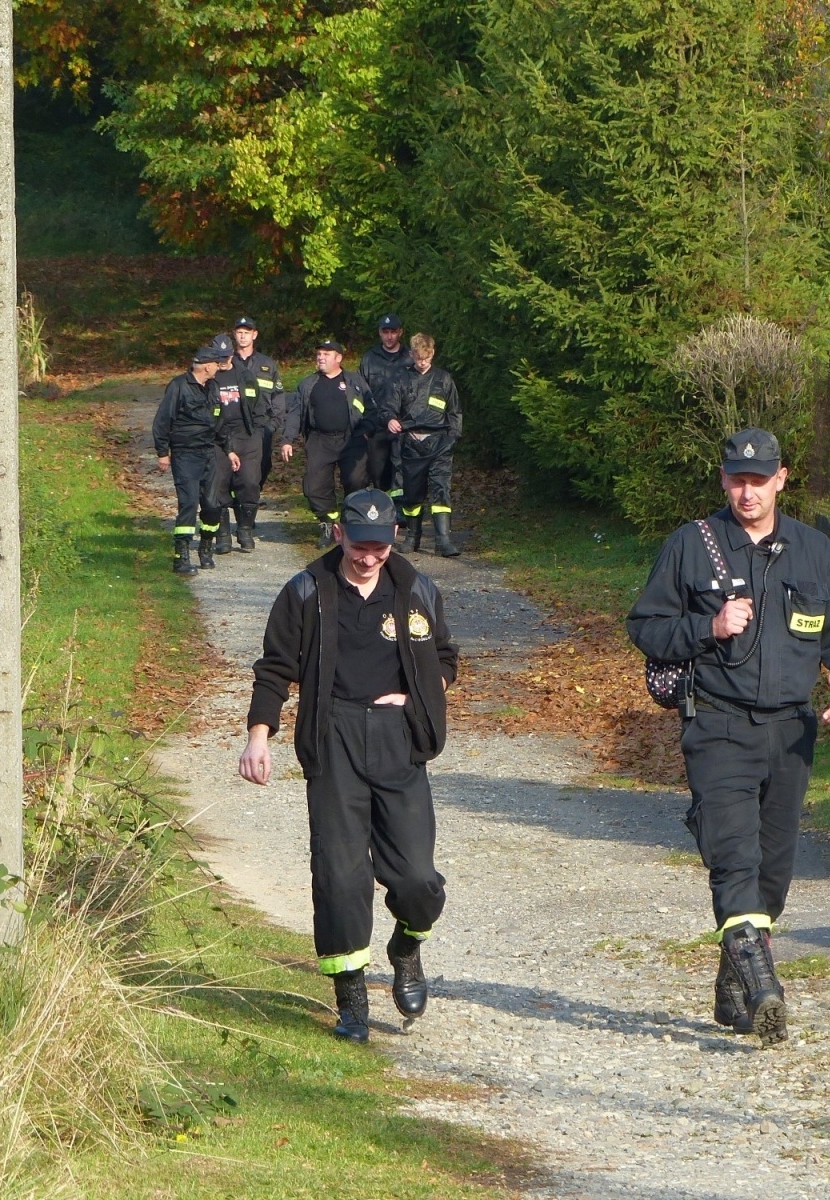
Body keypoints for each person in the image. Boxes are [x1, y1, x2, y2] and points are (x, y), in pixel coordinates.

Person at [626, 429, 830, 1045]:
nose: (748, 491)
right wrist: (706, 625)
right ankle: (765, 985)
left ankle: (732, 980)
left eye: (759, 480)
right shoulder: (691, 546)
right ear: (723, 480)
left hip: (791, 730)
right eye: (737, 479)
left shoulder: (815, 552)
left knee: (773, 874)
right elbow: (646, 626)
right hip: (717, 723)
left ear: (781, 480)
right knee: (733, 855)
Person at [239, 488, 458, 1042]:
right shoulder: (306, 591)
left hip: (398, 741)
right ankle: (352, 1001)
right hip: (332, 738)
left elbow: (446, 660)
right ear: (339, 533)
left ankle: (407, 945)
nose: (368, 558)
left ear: (392, 543)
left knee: (416, 878)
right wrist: (257, 738)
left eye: (379, 549)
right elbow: (274, 669)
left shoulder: (418, 592)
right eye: (359, 546)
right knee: (339, 876)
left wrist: (417, 699)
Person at [284, 339, 377, 549]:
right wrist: (287, 439)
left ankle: (350, 523)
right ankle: (328, 522)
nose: (321, 358)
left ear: (338, 358)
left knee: (356, 481)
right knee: (313, 487)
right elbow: (295, 413)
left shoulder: (355, 382)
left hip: (351, 439)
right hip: (320, 440)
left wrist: (366, 431)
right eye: (319, 354)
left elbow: (372, 409)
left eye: (326, 354)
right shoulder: (308, 384)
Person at [151, 343, 225, 575]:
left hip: (208, 453)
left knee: (213, 504)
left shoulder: (213, 387)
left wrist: (229, 449)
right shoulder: (179, 386)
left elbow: (219, 421)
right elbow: (163, 420)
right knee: (189, 503)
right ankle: (180, 557)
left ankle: (205, 548)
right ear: (205, 366)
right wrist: (163, 452)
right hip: (185, 454)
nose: (218, 368)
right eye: (216, 364)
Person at [387, 332, 462, 557]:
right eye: (419, 359)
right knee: (412, 493)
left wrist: (452, 439)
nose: (423, 363)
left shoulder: (444, 379)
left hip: (439, 443)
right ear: (412, 355)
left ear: (432, 355)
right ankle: (412, 537)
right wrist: (390, 419)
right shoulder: (401, 378)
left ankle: (444, 540)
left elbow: (455, 412)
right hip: (411, 442)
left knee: (441, 489)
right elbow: (389, 408)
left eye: (427, 359)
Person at [204, 333, 264, 554]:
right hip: (217, 437)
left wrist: (258, 431)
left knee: (249, 482)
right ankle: (222, 534)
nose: (223, 361)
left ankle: (245, 530)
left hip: (246, 435)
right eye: (219, 357)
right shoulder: (208, 379)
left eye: (226, 356)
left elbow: (257, 405)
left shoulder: (245, 375)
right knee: (219, 483)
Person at [356, 313, 412, 496]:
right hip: (376, 425)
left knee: (402, 471)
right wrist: (363, 423)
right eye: (385, 332)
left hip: (402, 424)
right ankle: (383, 510)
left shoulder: (410, 358)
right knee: (378, 473)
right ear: (380, 333)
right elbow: (359, 393)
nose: (389, 336)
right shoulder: (369, 358)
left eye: (393, 332)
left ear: (400, 332)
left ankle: (401, 511)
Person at [233, 315, 286, 498]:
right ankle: (240, 504)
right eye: (239, 332)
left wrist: (273, 425)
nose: (242, 337)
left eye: (246, 333)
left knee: (262, 466)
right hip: (234, 426)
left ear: (254, 335)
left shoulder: (267, 364)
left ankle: (250, 501)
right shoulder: (227, 362)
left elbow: (278, 396)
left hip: (261, 427)